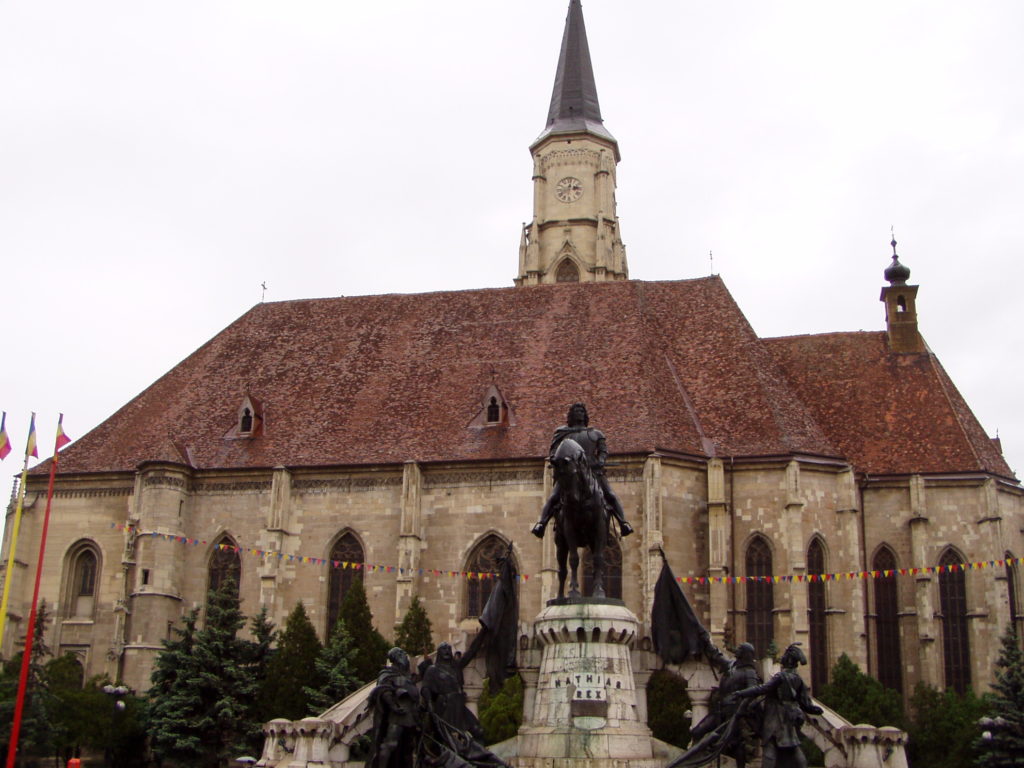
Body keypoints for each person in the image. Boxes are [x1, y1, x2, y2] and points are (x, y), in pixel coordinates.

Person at [531, 402, 634, 538]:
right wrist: (557, 461)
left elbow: (603, 451)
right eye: (576, 411)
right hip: (570, 474)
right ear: (570, 415)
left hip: (593, 472)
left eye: (581, 411)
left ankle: (623, 523)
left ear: (585, 415)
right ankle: (541, 524)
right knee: (553, 497)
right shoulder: (562, 433)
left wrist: (601, 461)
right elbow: (554, 452)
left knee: (610, 495)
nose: (579, 413)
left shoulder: (596, 434)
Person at [729, 643, 823, 768]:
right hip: (788, 719)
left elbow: (762, 689)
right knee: (793, 747)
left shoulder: (781, 677)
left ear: (787, 660)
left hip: (775, 718)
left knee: (770, 748)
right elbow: (805, 702)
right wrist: (815, 710)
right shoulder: (797, 678)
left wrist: (741, 693)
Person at [689, 643, 762, 768]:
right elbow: (716, 655)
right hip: (719, 710)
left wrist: (741, 707)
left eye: (740, 649)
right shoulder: (731, 666)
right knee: (697, 731)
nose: (736, 650)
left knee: (736, 744)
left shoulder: (749, 672)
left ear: (745, 653)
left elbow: (753, 693)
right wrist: (704, 640)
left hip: (735, 713)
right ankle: (699, 761)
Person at [368, 647, 421, 768]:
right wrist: (393, 705)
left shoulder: (407, 675)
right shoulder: (387, 673)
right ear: (396, 657)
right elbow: (383, 690)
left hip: (411, 715)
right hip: (397, 715)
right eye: (402, 653)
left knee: (408, 747)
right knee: (390, 744)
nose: (405, 655)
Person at [420, 642, 484, 741]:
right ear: (439, 652)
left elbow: (471, 651)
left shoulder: (456, 666)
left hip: (459, 705)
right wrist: (429, 704)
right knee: (446, 737)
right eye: (443, 649)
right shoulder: (432, 670)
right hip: (445, 706)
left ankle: (480, 755)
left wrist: (484, 631)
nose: (446, 651)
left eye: (448, 649)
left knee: (478, 730)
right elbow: (425, 688)